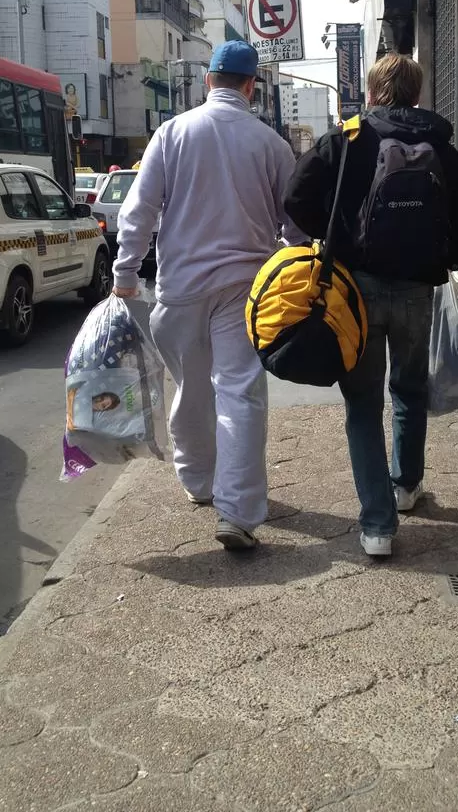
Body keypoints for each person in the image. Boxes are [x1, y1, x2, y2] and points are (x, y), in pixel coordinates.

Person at [284, 53, 458, 558]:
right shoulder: (439, 144)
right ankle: (407, 486)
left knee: (362, 402)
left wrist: (334, 241)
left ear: (372, 92)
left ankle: (377, 526)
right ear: (417, 94)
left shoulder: (348, 138)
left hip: (357, 292)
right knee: (410, 389)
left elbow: (296, 197)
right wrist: (441, 259)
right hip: (417, 289)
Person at [111, 40, 306, 551]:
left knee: (190, 386)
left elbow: (138, 211)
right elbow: (295, 226)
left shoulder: (171, 133)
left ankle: (197, 482)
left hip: (179, 289)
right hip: (246, 287)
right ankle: (237, 513)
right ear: (250, 86)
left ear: (208, 81)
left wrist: (125, 274)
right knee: (240, 391)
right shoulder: (271, 144)